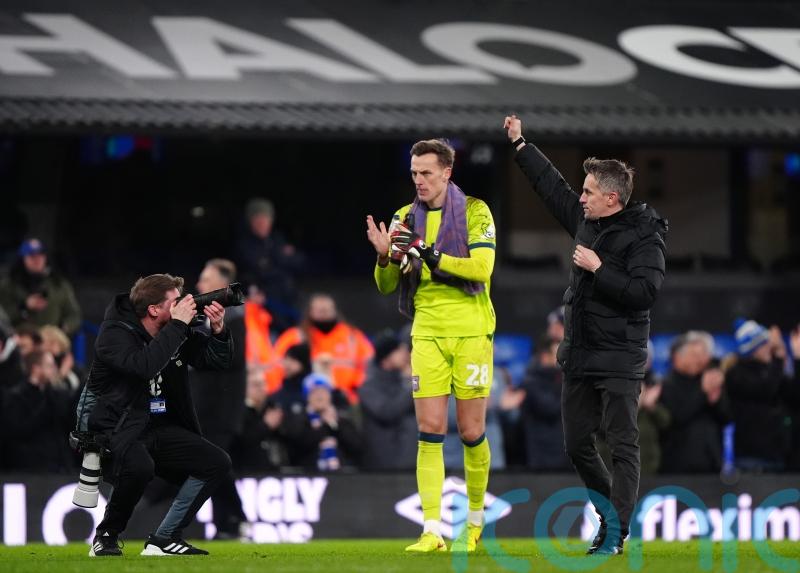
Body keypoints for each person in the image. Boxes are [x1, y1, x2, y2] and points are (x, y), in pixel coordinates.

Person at [504, 116, 667, 556]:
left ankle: (614, 532)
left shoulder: (645, 236)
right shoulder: (586, 220)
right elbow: (552, 188)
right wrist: (522, 146)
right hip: (580, 353)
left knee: (621, 443)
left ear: (611, 198)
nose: (581, 197)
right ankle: (613, 515)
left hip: (619, 356)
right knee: (576, 444)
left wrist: (600, 268)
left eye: (590, 191)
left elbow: (644, 293)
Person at [366, 138, 497, 553]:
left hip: (472, 330)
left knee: (472, 431)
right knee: (430, 432)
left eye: (426, 172)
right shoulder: (404, 216)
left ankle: (474, 526)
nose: (418, 180)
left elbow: (481, 267)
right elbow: (387, 285)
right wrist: (385, 256)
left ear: (446, 172)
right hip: (426, 332)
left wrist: (426, 251)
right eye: (414, 173)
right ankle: (431, 531)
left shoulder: (476, 211)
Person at [83, 274, 233, 557]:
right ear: (154, 309)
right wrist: (177, 325)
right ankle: (106, 536)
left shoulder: (176, 330)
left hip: (158, 424)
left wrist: (218, 330)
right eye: (175, 302)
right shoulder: (115, 334)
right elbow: (145, 366)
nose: (183, 307)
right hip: (117, 426)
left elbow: (217, 361)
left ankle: (164, 538)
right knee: (139, 466)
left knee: (216, 462)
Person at [189, 259, 250, 541]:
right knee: (214, 466)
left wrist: (213, 335)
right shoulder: (199, 319)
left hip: (222, 409)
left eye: (206, 278)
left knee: (215, 464)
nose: (200, 284)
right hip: (205, 409)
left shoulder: (235, 318)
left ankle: (236, 519)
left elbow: (232, 359)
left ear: (222, 286)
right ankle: (226, 524)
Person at [724, 319, 800, 472]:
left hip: (779, 456)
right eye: (765, 345)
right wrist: (779, 358)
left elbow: (795, 395)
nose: (769, 349)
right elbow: (765, 390)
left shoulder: (771, 371)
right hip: (752, 458)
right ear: (753, 349)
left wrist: (798, 359)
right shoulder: (736, 373)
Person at [273, 293, 374, 404]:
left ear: (334, 311)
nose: (323, 314)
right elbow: (277, 367)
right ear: (310, 312)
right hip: (305, 399)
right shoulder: (294, 337)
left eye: (326, 310)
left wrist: (355, 387)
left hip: (347, 399)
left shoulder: (353, 337)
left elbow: (370, 365)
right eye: (319, 311)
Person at [659, 331, 732, 473]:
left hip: (712, 463)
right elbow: (678, 416)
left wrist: (716, 400)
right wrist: (702, 393)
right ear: (678, 357)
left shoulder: (708, 379)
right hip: (678, 466)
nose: (700, 360)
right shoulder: (667, 384)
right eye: (694, 355)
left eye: (703, 355)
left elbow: (727, 418)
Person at [234, 198, 304, 329]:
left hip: (289, 299)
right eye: (257, 218)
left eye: (265, 218)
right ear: (250, 222)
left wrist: (275, 262)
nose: (262, 222)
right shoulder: (244, 245)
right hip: (264, 302)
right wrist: (281, 260)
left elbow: (299, 263)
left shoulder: (277, 238)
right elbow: (253, 271)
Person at [359, 329, 417, 470]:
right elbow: (387, 411)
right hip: (385, 462)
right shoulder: (369, 386)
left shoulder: (402, 379)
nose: (405, 354)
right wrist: (413, 382)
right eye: (398, 350)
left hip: (410, 457)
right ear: (385, 359)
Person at [0, 238, 81, 336]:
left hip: (51, 340)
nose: (37, 259)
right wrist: (24, 306)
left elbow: (74, 315)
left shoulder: (58, 284)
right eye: (32, 256)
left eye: (40, 255)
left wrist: (62, 329)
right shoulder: (8, 285)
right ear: (22, 259)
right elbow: (3, 316)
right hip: (19, 339)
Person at [521, 335, 570, 471]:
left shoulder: (561, 380)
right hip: (541, 455)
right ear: (544, 356)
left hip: (564, 453)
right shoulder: (531, 381)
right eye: (558, 355)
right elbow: (549, 407)